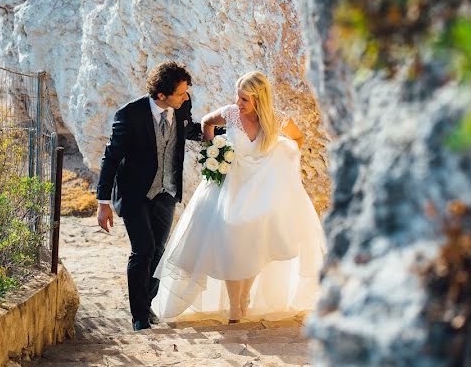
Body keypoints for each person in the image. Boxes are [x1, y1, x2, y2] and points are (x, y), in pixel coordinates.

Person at [153, 71, 325, 323]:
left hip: (262, 188)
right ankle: (235, 305)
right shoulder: (231, 113)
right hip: (231, 185)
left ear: (259, 100)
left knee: (256, 241)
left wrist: (281, 160)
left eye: (244, 99)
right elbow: (207, 124)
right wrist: (213, 151)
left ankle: (244, 296)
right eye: (238, 95)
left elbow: (297, 138)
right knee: (231, 235)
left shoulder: (276, 120)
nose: (238, 102)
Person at [96, 61, 203, 331]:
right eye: (180, 93)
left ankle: (148, 305)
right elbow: (111, 159)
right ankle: (140, 317)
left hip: (167, 191)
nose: (185, 97)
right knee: (142, 250)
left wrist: (227, 133)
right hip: (135, 194)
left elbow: (189, 131)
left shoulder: (182, 107)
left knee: (158, 251)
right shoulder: (129, 115)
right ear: (161, 95)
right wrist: (103, 202)